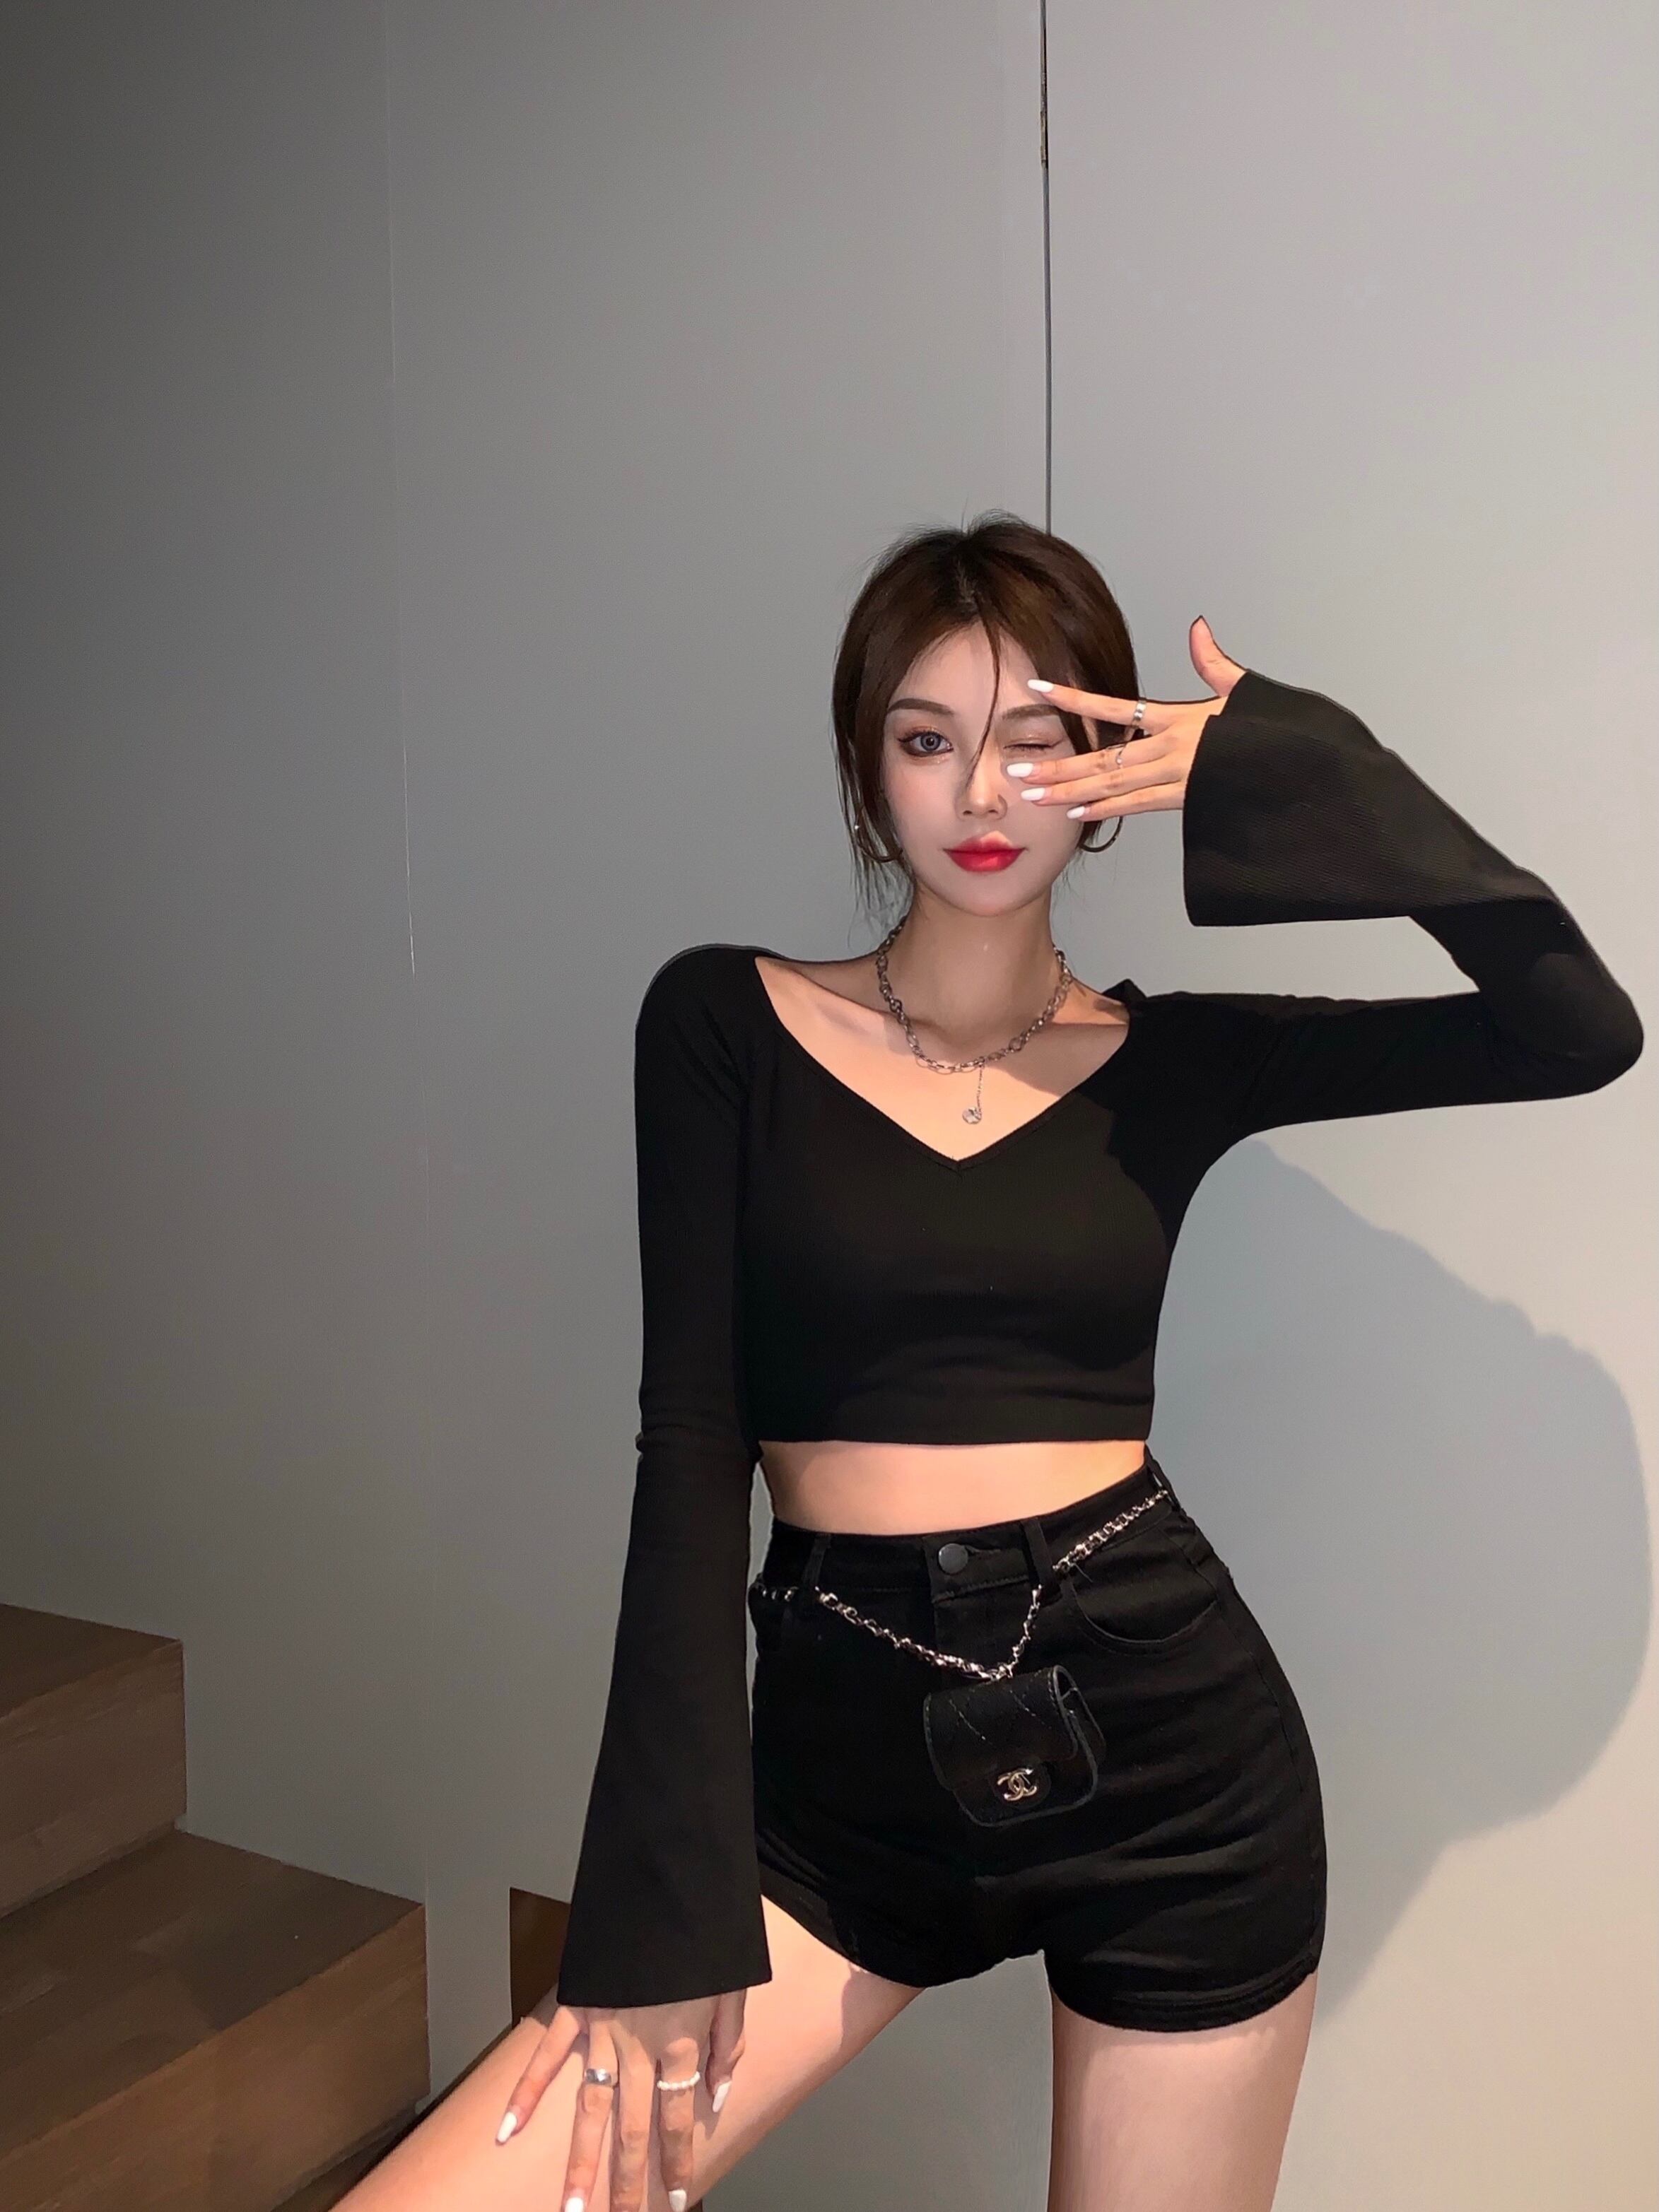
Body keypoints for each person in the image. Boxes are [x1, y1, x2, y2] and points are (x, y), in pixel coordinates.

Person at [344, 516, 1642, 2212]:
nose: (979, 791)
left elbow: (1576, 1029)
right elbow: (689, 1445)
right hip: (839, 1779)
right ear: (865, 768)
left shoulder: (1177, 1058)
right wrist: (656, 1905)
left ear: (1105, 775)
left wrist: (1301, 764)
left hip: (1177, 1768)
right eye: (926, 736)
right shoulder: (724, 1024)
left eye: (1035, 739)